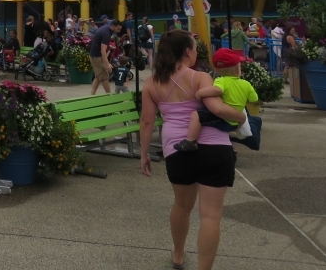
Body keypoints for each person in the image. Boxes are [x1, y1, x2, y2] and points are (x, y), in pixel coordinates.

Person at [139, 31, 246, 270]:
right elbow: (217, 109)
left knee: (182, 205)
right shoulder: (200, 78)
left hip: (178, 151)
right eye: (195, 48)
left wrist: (144, 154)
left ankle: (178, 254)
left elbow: (146, 121)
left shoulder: (151, 83)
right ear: (187, 51)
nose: (196, 52)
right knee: (210, 215)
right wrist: (240, 118)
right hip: (215, 149)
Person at [175, 48, 257, 152]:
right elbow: (254, 99)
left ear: (217, 70)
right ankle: (236, 132)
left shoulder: (221, 80)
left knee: (196, 115)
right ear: (238, 69)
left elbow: (217, 90)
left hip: (224, 119)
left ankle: (191, 141)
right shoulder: (246, 84)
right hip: (235, 121)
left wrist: (200, 93)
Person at [90, 19, 124, 95]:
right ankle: (109, 95)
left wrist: (109, 46)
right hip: (97, 57)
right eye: (118, 29)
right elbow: (103, 50)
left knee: (99, 76)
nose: (119, 31)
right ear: (112, 26)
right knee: (105, 76)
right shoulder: (106, 34)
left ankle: (92, 95)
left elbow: (100, 42)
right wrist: (107, 64)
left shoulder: (104, 28)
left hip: (94, 55)